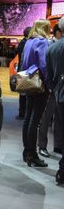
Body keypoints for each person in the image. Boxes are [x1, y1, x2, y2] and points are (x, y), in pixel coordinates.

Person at [21, 20, 51, 167]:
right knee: (35, 121)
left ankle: (27, 151)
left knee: (28, 119)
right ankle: (32, 154)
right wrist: (49, 84)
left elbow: (23, 62)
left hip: (28, 82)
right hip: (39, 84)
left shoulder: (28, 42)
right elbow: (44, 65)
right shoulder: (42, 42)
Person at [38, 23, 63, 158]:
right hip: (51, 89)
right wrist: (50, 87)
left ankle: (57, 146)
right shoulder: (48, 45)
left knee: (58, 119)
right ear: (58, 32)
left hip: (58, 88)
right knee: (46, 118)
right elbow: (46, 68)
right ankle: (42, 146)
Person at [46, 17, 64, 184]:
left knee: (61, 127)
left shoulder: (52, 49)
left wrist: (55, 88)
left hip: (60, 95)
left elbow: (49, 76)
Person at [16, 26, 32, 119]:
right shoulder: (24, 43)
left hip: (23, 71)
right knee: (23, 93)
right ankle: (22, 112)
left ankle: (23, 112)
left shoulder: (24, 42)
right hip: (23, 71)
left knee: (23, 92)